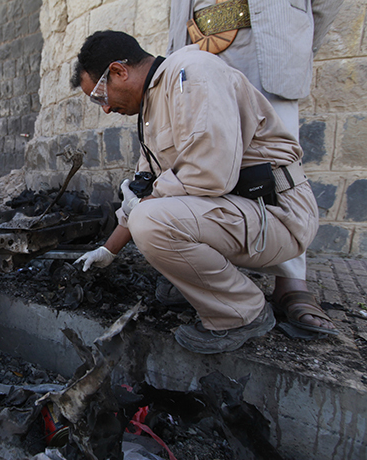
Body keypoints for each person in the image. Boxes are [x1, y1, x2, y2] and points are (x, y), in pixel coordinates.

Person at [72, 30, 330, 354]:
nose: (105, 108)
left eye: (100, 96)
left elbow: (210, 173)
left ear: (119, 71)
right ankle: (204, 289)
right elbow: (143, 187)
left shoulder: (191, 74)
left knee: (151, 222)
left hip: (277, 213)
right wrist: (107, 252)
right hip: (244, 212)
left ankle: (242, 313)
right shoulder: (154, 104)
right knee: (147, 216)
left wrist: (143, 207)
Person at [164, 0, 343, 336]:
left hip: (264, 42)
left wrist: (297, 42)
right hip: (195, 47)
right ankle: (210, 274)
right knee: (201, 160)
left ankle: (291, 281)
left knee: (274, 160)